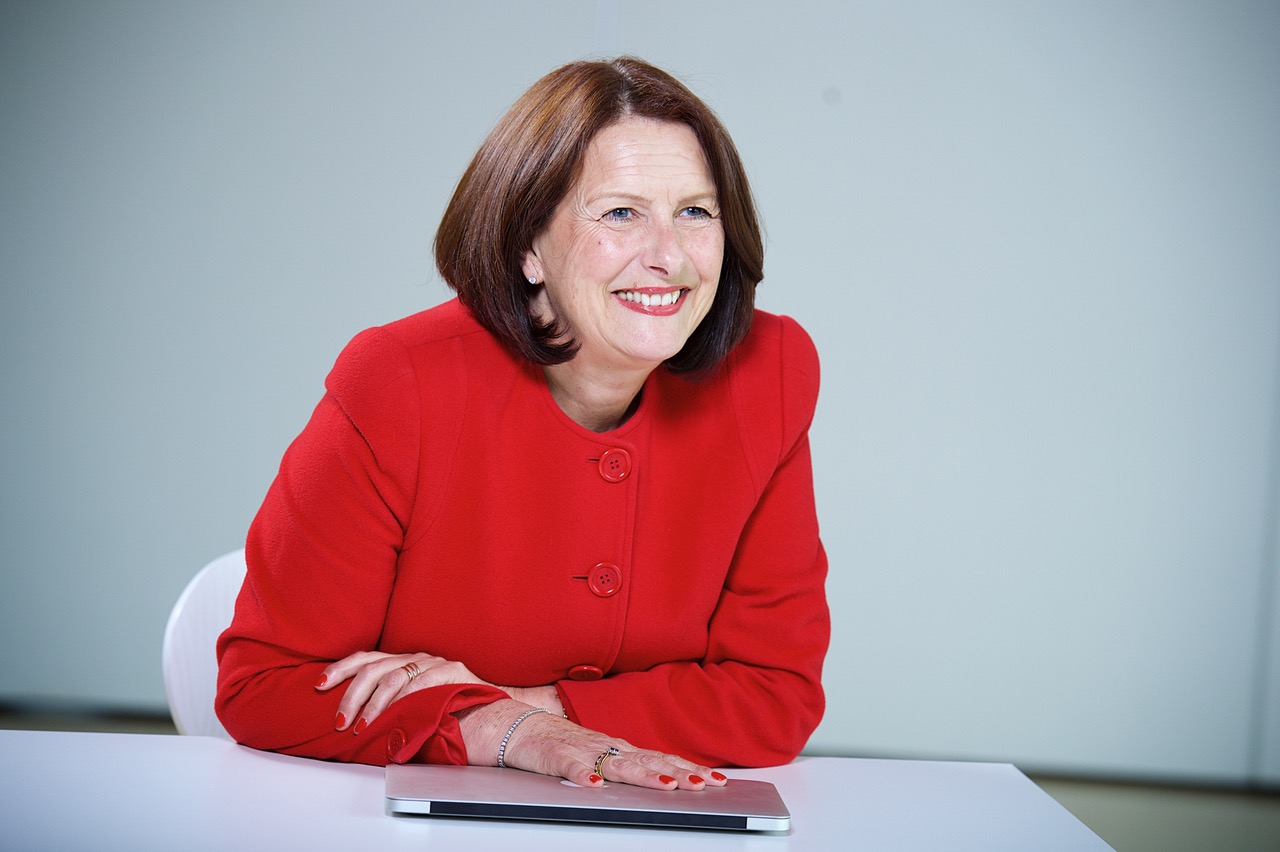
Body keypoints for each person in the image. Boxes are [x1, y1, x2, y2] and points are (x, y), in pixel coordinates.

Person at [216, 56, 829, 792]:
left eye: (695, 211)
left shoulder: (770, 373)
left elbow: (776, 699)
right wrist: (496, 732)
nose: (669, 256)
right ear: (526, 246)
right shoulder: (399, 380)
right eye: (621, 212)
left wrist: (529, 712)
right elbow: (264, 685)